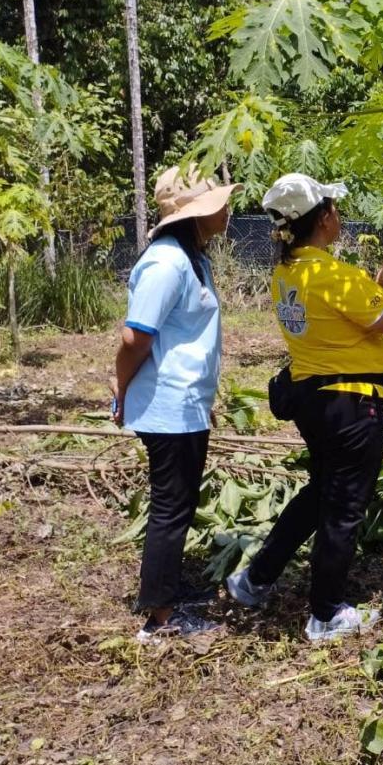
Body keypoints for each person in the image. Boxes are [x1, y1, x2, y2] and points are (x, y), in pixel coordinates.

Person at [225, 173, 383, 641]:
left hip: (314, 400)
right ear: (323, 218)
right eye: (333, 207)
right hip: (352, 406)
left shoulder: (289, 272)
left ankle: (254, 579)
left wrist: (376, 283)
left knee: (320, 494)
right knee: (345, 507)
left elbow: (338, 321)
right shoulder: (333, 275)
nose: (339, 214)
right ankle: (326, 612)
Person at [112, 166, 240, 642]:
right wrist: (121, 387)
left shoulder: (193, 257)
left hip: (185, 401)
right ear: (195, 215)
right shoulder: (166, 263)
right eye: (218, 204)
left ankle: (167, 592)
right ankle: (161, 616)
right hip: (166, 402)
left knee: (181, 502)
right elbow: (135, 336)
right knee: (171, 506)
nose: (226, 210)